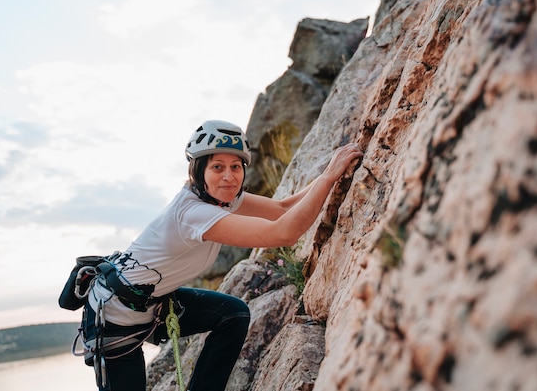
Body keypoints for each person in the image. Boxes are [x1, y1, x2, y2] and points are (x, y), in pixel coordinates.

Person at [81, 119, 363, 391]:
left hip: (148, 301)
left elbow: (281, 208)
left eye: (235, 166)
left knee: (232, 314)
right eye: (217, 167)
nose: (229, 176)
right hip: (114, 317)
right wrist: (329, 177)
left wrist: (330, 172)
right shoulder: (193, 212)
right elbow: (284, 233)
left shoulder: (221, 196)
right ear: (199, 171)